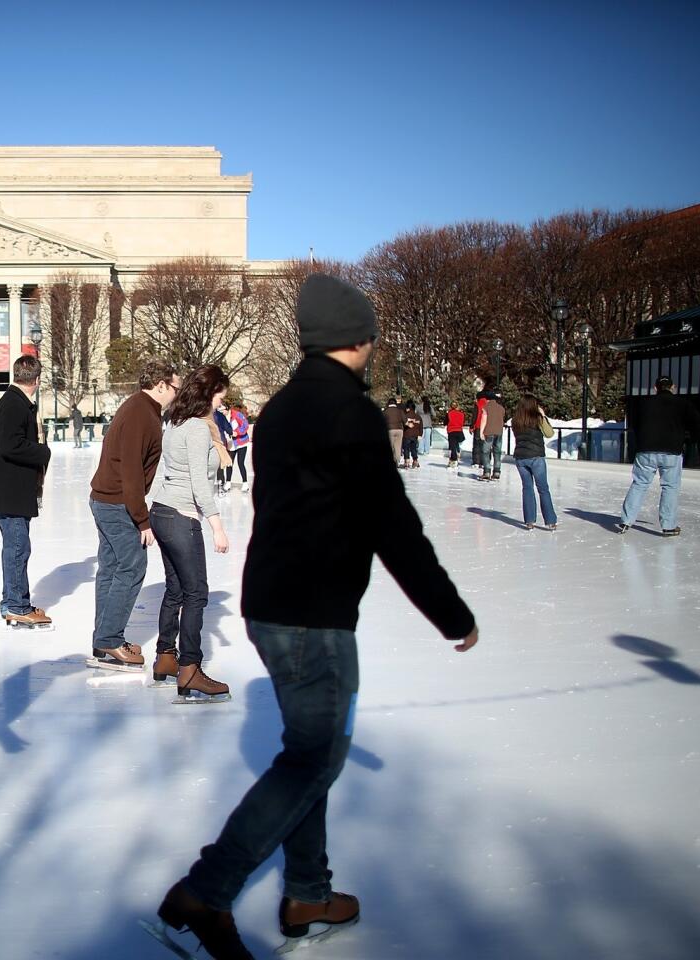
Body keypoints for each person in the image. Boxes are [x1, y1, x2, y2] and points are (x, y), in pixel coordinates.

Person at [150, 274, 478, 959]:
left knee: (311, 757)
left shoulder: (283, 409)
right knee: (313, 759)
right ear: (361, 339)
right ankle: (206, 892)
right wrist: (452, 615)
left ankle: (307, 891)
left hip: (271, 602)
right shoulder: (350, 411)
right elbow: (394, 526)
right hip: (314, 611)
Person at [147, 365, 233, 702]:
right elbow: (199, 483)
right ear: (208, 394)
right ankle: (190, 669)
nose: (221, 405)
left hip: (162, 511)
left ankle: (166, 657)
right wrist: (217, 526)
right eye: (220, 398)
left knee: (176, 589)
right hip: (181, 516)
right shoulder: (196, 428)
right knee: (196, 593)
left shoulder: (175, 423)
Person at [88, 359, 180, 671]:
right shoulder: (142, 414)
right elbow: (130, 471)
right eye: (176, 388)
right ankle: (111, 639)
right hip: (116, 503)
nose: (177, 394)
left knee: (112, 568)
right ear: (161, 386)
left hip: (107, 499)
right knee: (132, 565)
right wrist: (142, 519)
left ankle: (103, 640)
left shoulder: (140, 408)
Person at [0, 355, 53, 631]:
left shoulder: (14, 402)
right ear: (37, 380)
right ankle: (17, 606)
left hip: (9, 491)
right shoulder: (14, 404)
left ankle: (14, 602)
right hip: (10, 492)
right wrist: (43, 451)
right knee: (17, 549)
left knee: (17, 548)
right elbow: (10, 446)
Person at [617, 375, 700, 536]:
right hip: (671, 452)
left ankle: (625, 521)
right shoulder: (682, 404)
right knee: (670, 487)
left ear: (655, 388)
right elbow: (699, 425)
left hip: (646, 451)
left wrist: (641, 442)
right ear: (673, 387)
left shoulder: (643, 404)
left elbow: (634, 425)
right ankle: (668, 526)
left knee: (639, 484)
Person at [510, 395, 558, 530]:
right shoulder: (537, 418)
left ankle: (530, 521)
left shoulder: (515, 421)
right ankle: (550, 521)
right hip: (536, 457)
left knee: (527, 488)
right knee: (543, 489)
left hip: (521, 457)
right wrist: (543, 416)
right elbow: (549, 433)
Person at [477, 390, 506, 480]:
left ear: (487, 399)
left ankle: (487, 472)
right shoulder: (501, 408)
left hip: (488, 432)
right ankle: (497, 472)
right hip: (499, 432)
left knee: (486, 452)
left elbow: (484, 420)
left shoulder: (486, 407)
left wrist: (481, 432)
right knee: (497, 452)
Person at [227, 403, 251, 491]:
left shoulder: (237, 414)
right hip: (231, 443)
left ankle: (245, 483)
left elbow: (245, 426)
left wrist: (238, 432)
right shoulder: (222, 417)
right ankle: (228, 482)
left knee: (240, 462)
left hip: (241, 442)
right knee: (229, 463)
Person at [212, 405, 234, 494]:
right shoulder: (220, 416)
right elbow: (228, 428)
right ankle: (220, 484)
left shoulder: (202, 414)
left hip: (208, 441)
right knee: (220, 464)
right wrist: (231, 432)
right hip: (219, 441)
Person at [384, 398, 406, 464]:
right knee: (398, 446)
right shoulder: (400, 411)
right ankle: (397, 460)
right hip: (399, 430)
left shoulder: (386, 411)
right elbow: (405, 420)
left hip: (389, 429)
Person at [402, 404, 422, 468]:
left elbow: (403, 425)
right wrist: (420, 434)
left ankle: (407, 461)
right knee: (414, 449)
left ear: (409, 409)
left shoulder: (405, 416)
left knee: (406, 448)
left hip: (407, 434)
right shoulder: (418, 417)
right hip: (415, 435)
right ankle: (415, 460)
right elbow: (421, 426)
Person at [445, 401, 466, 466]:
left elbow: (445, 422)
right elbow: (463, 422)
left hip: (451, 431)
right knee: (456, 443)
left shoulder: (449, 413)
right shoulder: (461, 414)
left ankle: (454, 459)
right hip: (459, 430)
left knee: (452, 446)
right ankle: (456, 454)